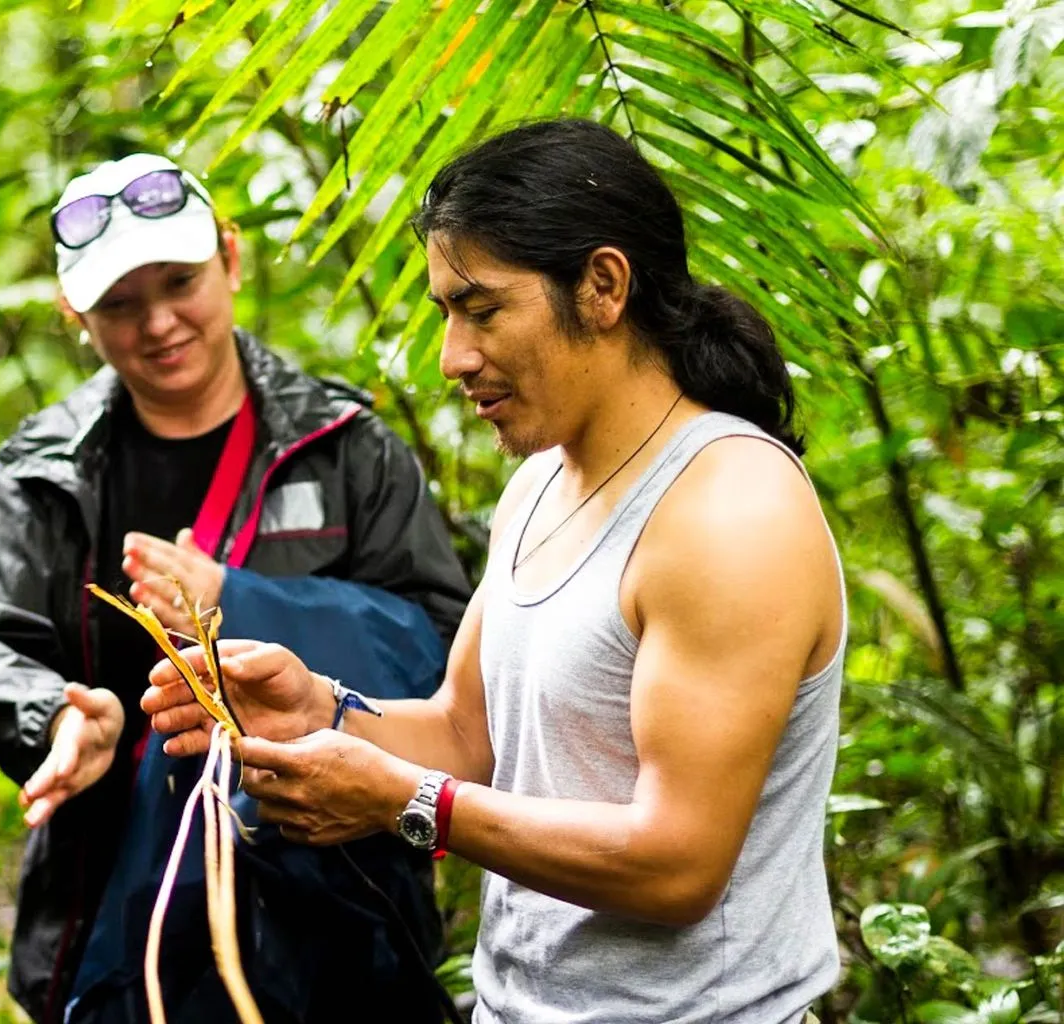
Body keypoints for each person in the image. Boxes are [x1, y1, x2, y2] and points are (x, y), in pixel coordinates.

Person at [144, 119, 846, 1024]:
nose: (453, 357)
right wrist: (322, 708)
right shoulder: (540, 484)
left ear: (602, 286)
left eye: (482, 310)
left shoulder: (729, 512)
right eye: (445, 313)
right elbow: (468, 734)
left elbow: (678, 864)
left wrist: (411, 805)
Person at [0, 152, 473, 1023]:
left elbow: (440, 650)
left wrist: (243, 601)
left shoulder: (345, 446)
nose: (158, 323)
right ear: (74, 313)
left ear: (231, 260)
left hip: (339, 922)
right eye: (119, 303)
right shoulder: (41, 473)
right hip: (120, 914)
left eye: (180, 282)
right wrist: (65, 717)